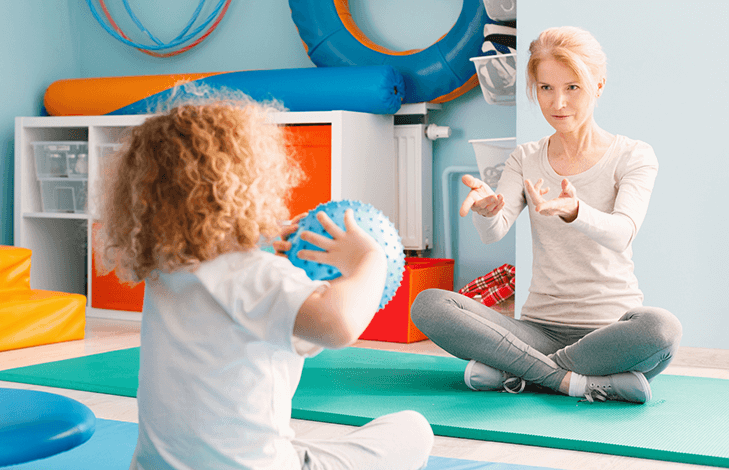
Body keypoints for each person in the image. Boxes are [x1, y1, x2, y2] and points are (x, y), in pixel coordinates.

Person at [94, 90, 434, 470]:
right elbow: (338, 324)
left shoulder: (166, 271)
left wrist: (263, 247)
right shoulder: (257, 274)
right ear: (250, 185)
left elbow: (234, 299)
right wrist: (369, 259)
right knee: (411, 430)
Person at [410, 26, 682, 404]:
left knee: (662, 328)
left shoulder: (633, 155)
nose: (558, 103)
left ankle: (518, 371)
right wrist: (488, 211)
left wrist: (576, 212)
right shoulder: (525, 157)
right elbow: (493, 231)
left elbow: (622, 232)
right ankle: (573, 382)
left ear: (598, 86)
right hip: (538, 330)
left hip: (611, 333)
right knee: (429, 304)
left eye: (573, 87)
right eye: (545, 88)